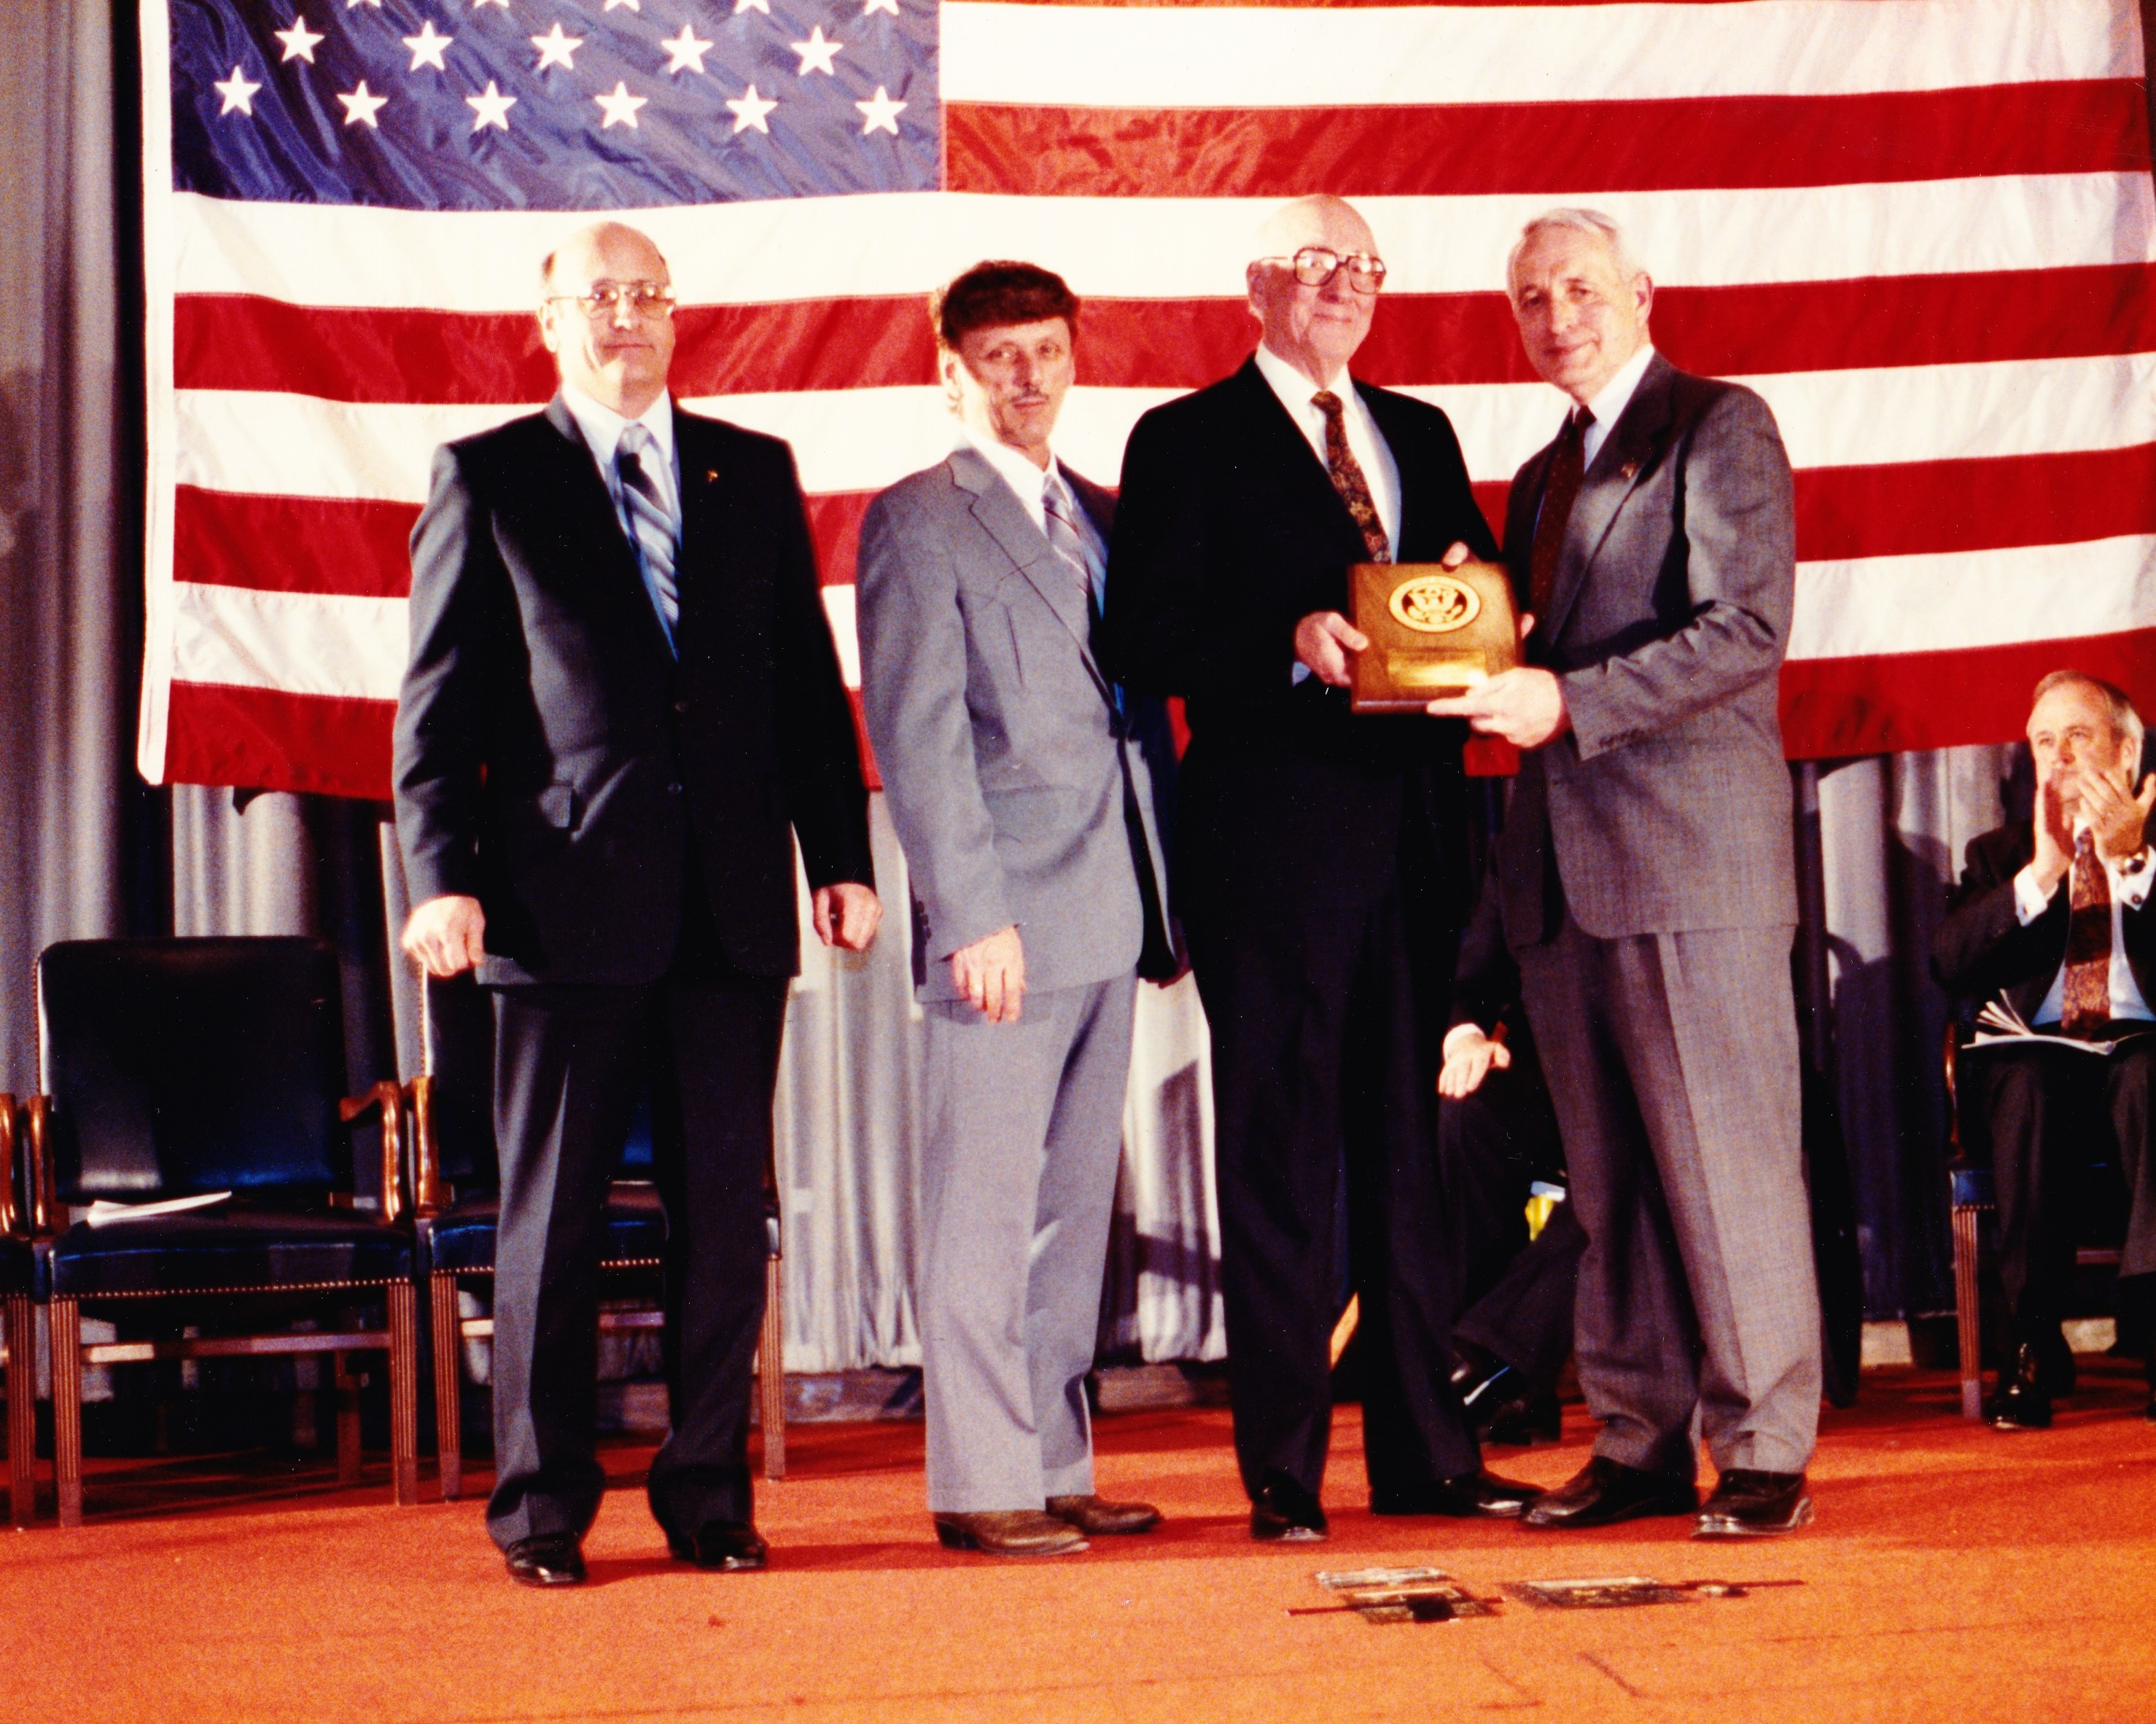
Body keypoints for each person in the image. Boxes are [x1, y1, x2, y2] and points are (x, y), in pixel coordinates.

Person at [393, 221, 881, 1587]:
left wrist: (837, 858)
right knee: (547, 1225)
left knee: (722, 1216)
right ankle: (544, 1512)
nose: (624, 318)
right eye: (596, 297)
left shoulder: (750, 469)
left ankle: (709, 1494)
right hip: (558, 913)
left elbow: (801, 689)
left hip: (731, 909)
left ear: (678, 318)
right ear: (548, 320)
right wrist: (443, 880)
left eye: (645, 296)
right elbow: (437, 711)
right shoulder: (486, 476)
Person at [1102, 193, 1537, 1541]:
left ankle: (1427, 1456)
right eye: (1316, 264)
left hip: (1417, 844)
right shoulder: (1182, 438)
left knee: (1413, 1161)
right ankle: (1283, 1468)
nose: (1344, 286)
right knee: (1284, 1163)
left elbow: (1471, 590)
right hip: (1270, 855)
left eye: (1362, 267)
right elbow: (1148, 636)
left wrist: (1478, 588)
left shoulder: (1419, 431)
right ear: (1257, 287)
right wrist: (1289, 637)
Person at [1429, 207, 1821, 1540]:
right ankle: (1640, 1439)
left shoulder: (1718, 428)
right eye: (1532, 299)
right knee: (1610, 1192)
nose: (1557, 316)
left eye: (1580, 289)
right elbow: (1534, 661)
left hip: (1690, 867)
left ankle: (1762, 1444)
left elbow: (1745, 629)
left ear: (1641, 292)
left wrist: (1567, 701)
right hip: (1562, 882)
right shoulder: (1541, 479)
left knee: (1728, 1169)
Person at [855, 262, 1178, 1558]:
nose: (1027, 377)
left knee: (1065, 1211)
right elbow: (918, 733)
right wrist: (964, 913)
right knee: (984, 1208)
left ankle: (1051, 1461)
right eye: (998, 357)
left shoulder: (1100, 513)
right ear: (950, 373)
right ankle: (979, 1479)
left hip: (1109, 898)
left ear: (1074, 357)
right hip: (1002, 919)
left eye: (1045, 350)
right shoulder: (917, 521)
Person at [1934, 671, 2156, 1427]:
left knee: (2147, 1075)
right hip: (2042, 1062)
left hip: (2141, 1057)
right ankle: (2029, 1344)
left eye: (2078, 737)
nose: (2057, 758)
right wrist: (2042, 875)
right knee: (2024, 1079)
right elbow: (1946, 961)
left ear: (2125, 754)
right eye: (2042, 743)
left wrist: (2133, 867)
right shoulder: (1997, 856)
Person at [1439, 875, 1586, 1445]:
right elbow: (1472, 980)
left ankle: (1485, 1355)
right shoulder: (1523, 848)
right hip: (1557, 1076)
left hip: (1656, 1079)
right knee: (1467, 1115)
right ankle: (1499, 1379)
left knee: (1622, 1167)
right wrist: (1467, 1040)